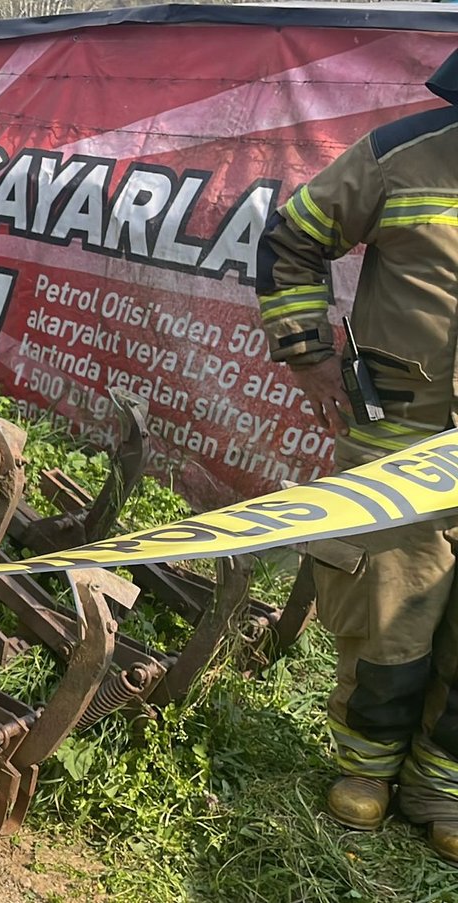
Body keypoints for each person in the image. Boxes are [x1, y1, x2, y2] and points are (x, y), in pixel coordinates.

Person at [255, 48, 458, 863]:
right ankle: (367, 768)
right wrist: (307, 353)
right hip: (402, 444)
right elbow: (292, 238)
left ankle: (442, 785)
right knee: (387, 616)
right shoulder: (401, 157)